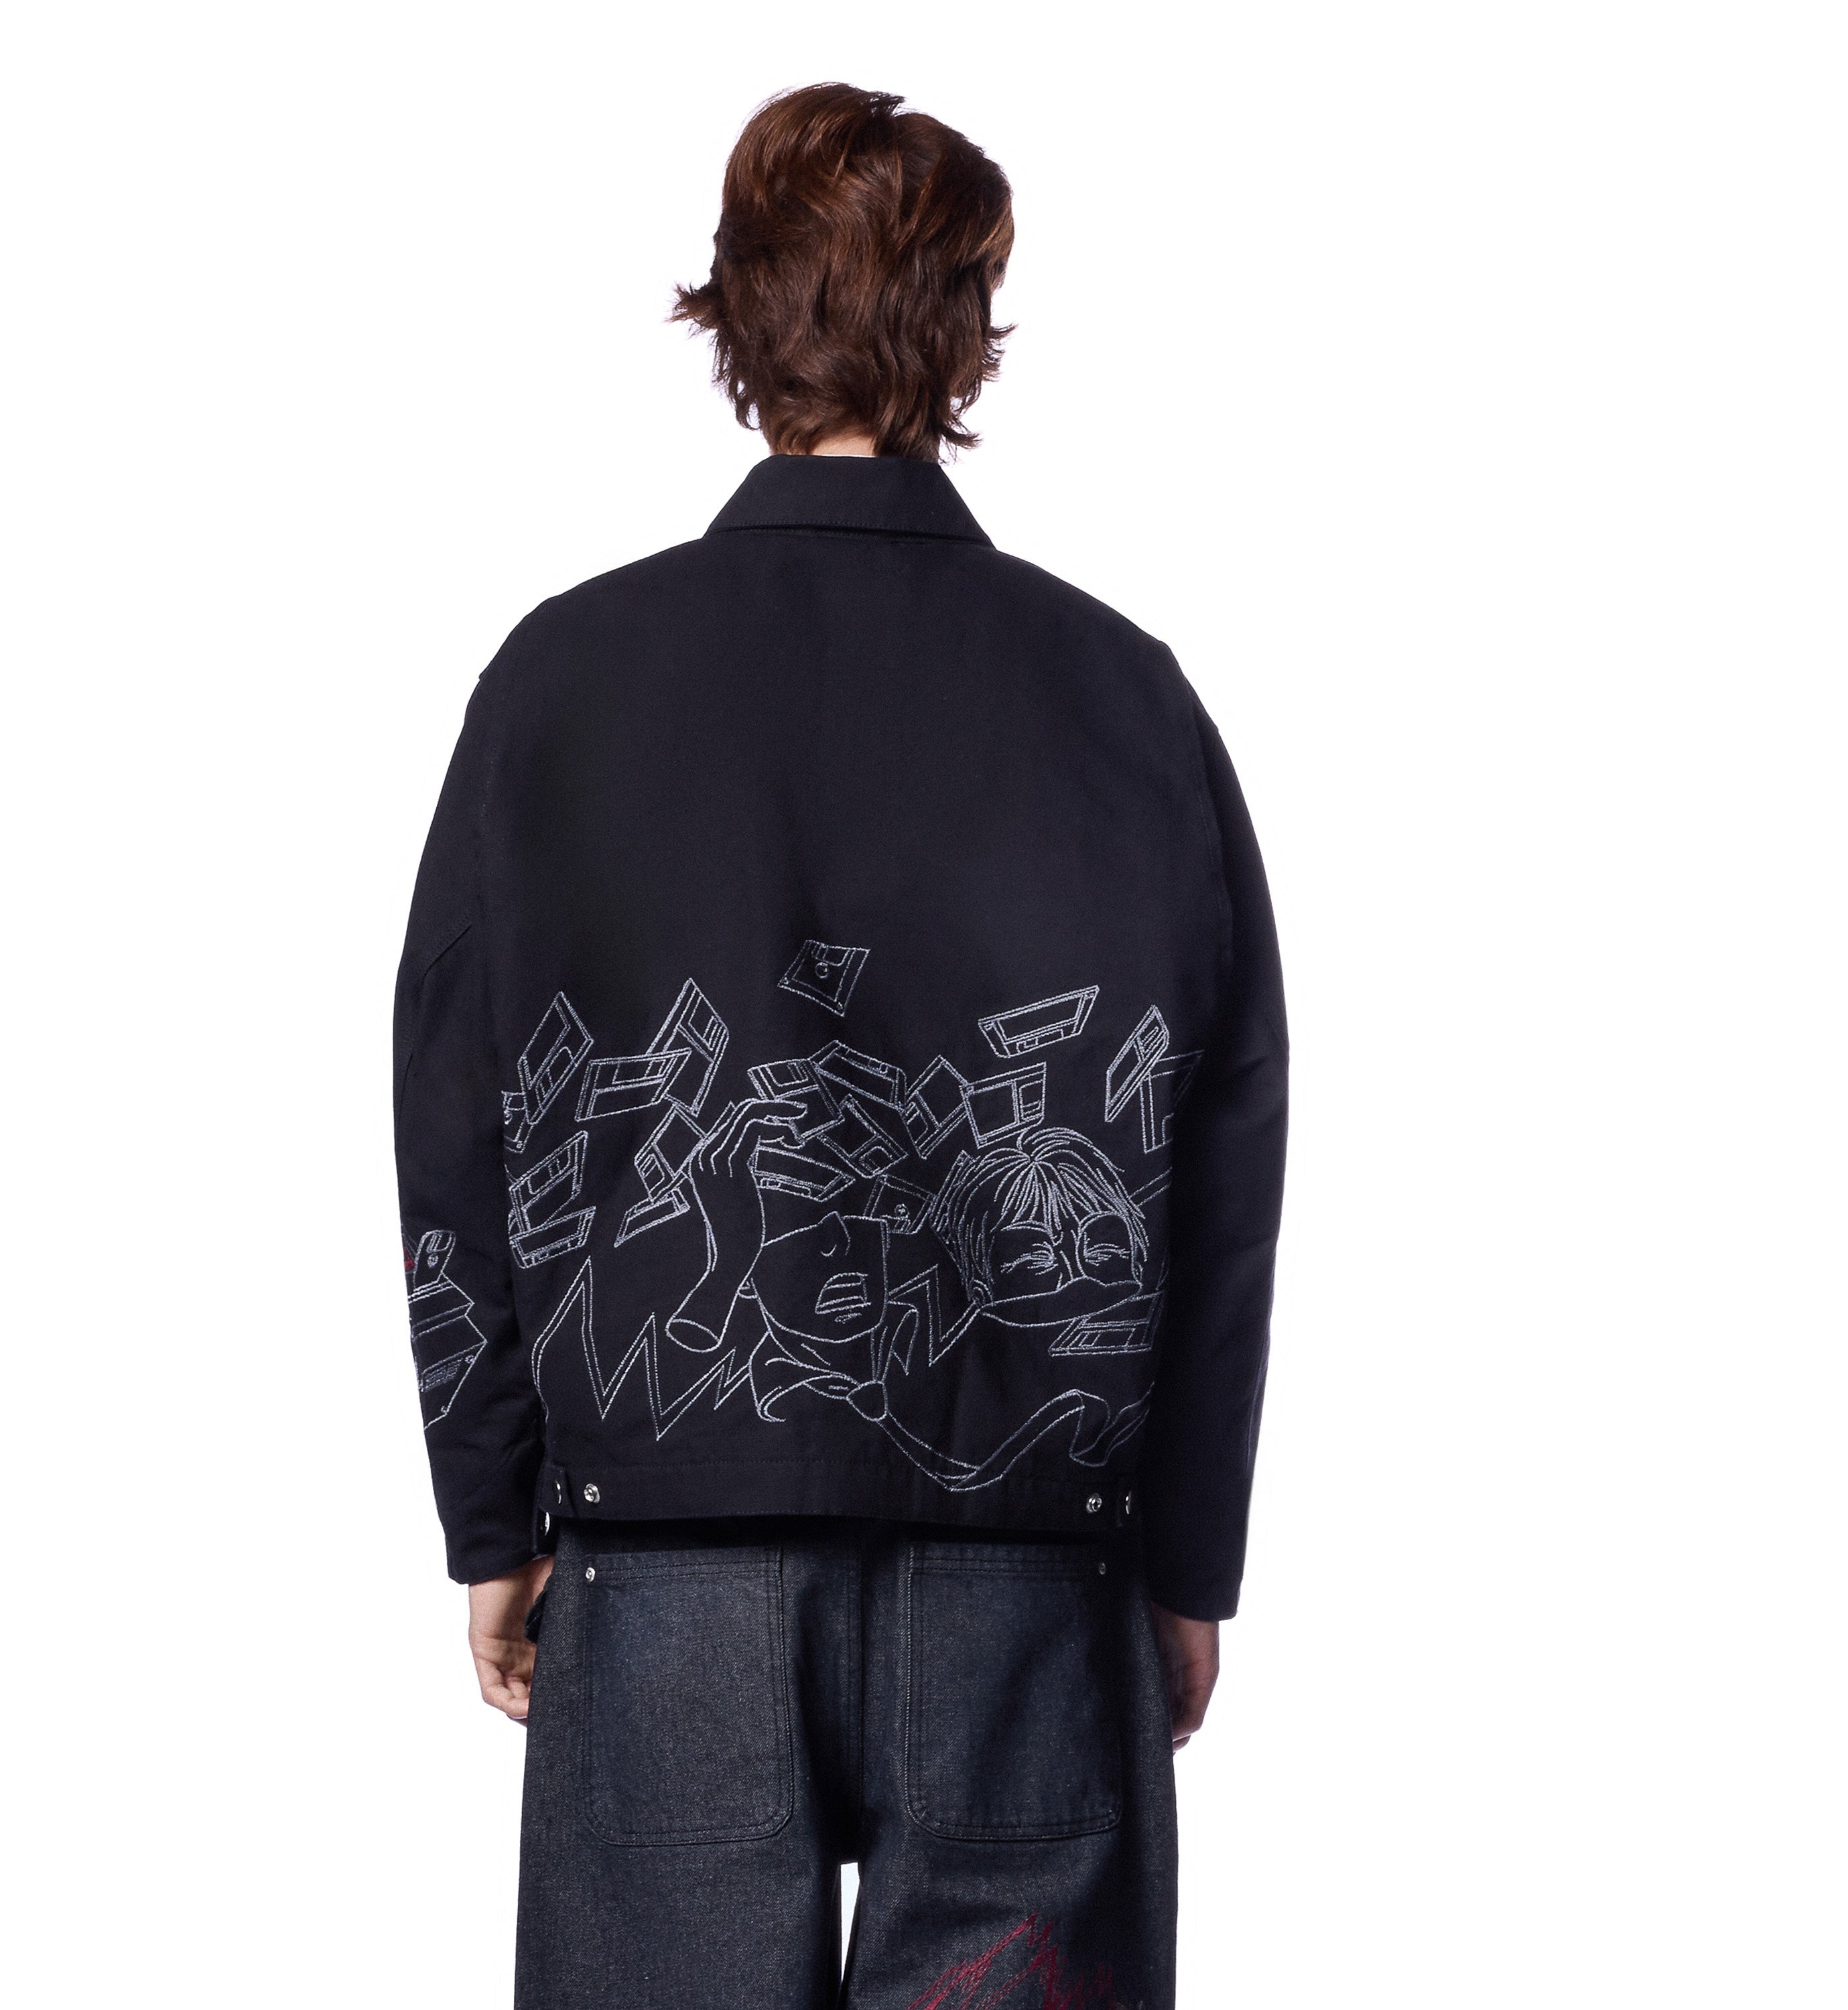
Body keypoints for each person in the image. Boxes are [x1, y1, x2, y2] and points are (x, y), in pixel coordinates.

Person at [393, 81, 1288, 2009]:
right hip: (1033, 1576)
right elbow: (1225, 1156)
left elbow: (458, 1114)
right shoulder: (1123, 697)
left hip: (665, 1561)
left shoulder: (562, 683)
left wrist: (494, 1514)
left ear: (733, 317)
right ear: (969, 332)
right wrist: (1187, 1560)